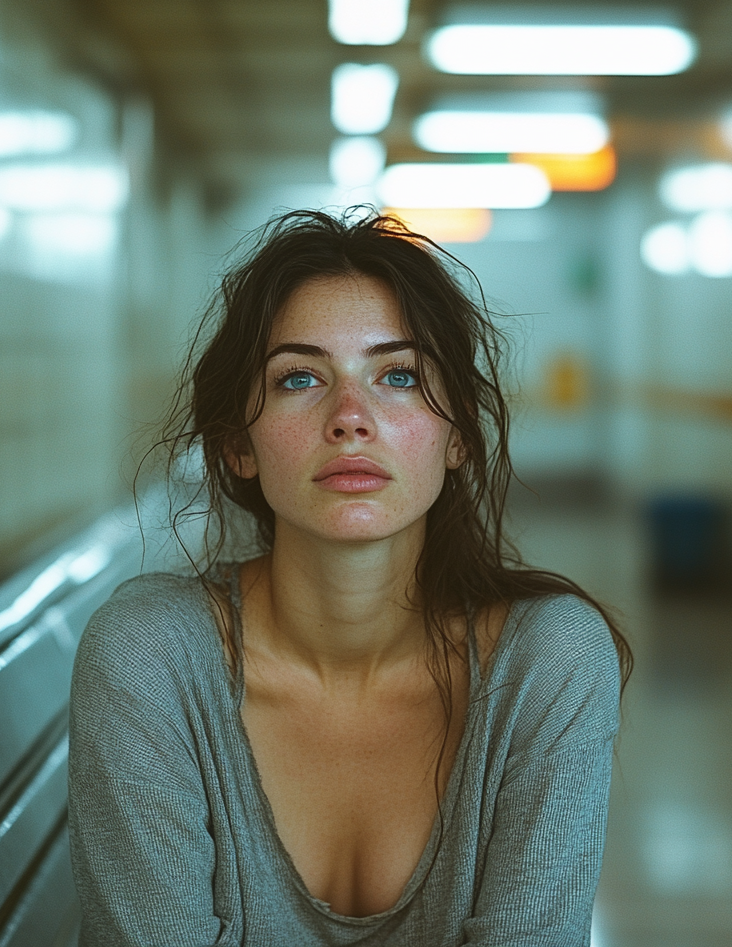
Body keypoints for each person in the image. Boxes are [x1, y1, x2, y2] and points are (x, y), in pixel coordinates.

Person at [68, 208, 632, 946]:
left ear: (458, 434)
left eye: (397, 375)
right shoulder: (151, 657)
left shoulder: (546, 660)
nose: (350, 417)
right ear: (238, 442)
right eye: (300, 378)